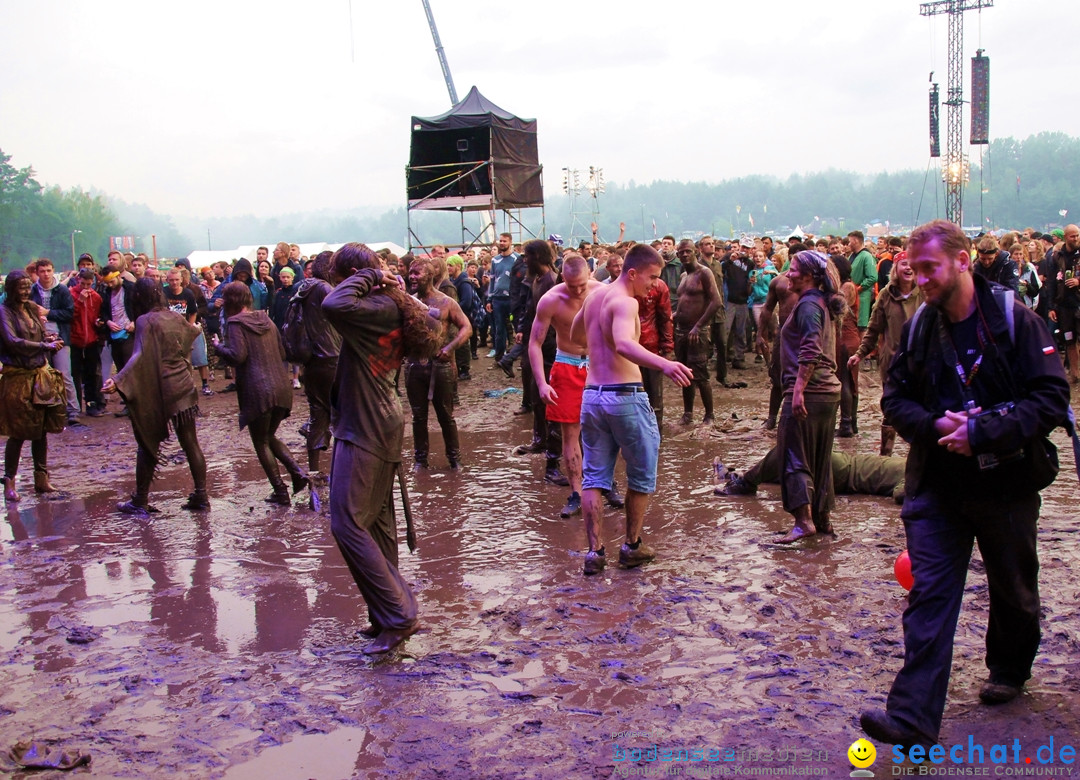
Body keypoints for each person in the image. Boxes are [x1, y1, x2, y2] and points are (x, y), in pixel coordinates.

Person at [860, 219, 1070, 750]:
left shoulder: (1014, 321)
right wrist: (935, 427)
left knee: (1013, 586)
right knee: (929, 594)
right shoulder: (918, 328)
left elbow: (1050, 399)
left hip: (1006, 482)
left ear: (962, 261)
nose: (920, 279)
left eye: (930, 268)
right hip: (937, 483)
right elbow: (894, 399)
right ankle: (911, 719)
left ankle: (1009, 666)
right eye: (914, 268)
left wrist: (983, 432)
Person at [322, 242, 442, 655]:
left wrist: (372, 275)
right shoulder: (390, 305)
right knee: (376, 522)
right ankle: (384, 614)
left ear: (352, 275)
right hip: (378, 420)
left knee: (346, 521)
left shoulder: (374, 306)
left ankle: (397, 615)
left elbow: (333, 305)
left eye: (342, 276)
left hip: (367, 425)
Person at [570, 244, 693, 575]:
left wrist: (599, 343)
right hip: (625, 396)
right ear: (633, 272)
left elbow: (574, 333)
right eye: (652, 277)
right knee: (640, 473)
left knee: (594, 477)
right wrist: (665, 365)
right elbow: (624, 343)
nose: (654, 285)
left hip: (593, 395)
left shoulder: (596, 295)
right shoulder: (625, 301)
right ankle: (632, 546)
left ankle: (595, 553)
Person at [104, 278, 209, 516]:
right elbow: (190, 336)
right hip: (183, 386)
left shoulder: (144, 320)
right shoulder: (174, 316)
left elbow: (139, 355)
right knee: (190, 442)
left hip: (159, 389)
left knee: (147, 443)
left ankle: (140, 500)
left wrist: (118, 380)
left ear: (138, 298)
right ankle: (201, 496)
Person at [213, 282, 308, 505]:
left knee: (260, 441)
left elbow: (237, 356)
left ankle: (280, 491)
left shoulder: (235, 323)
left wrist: (218, 346)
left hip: (258, 391)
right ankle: (298, 474)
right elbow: (283, 350)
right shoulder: (266, 319)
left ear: (231, 301)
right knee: (269, 436)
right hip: (281, 388)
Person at [775, 250, 845, 544]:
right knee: (820, 457)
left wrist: (799, 390)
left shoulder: (807, 306)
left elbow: (810, 349)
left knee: (794, 454)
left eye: (792, 270)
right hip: (828, 393)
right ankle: (822, 518)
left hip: (809, 391)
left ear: (809, 277)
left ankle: (804, 522)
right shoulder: (821, 303)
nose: (787, 274)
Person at [530, 254, 603, 518]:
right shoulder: (550, 299)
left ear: (590, 275)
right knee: (570, 433)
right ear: (563, 278)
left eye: (582, 284)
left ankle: (607, 484)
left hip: (598, 362)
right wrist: (541, 383)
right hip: (567, 363)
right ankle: (576, 492)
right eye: (573, 286)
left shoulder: (602, 293)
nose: (579, 290)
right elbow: (535, 343)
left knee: (605, 428)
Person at [0, 270, 68, 501]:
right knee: (18, 432)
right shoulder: (4, 311)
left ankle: (42, 478)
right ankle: (9, 481)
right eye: (21, 288)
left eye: (28, 287)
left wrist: (47, 339)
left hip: (39, 375)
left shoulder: (30, 307)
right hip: (18, 378)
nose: (25, 292)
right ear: (10, 289)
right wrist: (42, 347)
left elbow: (40, 333)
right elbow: (12, 341)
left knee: (41, 430)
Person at [848, 251, 922, 455]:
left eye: (912, 265)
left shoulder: (925, 293)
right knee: (890, 409)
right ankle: (885, 455)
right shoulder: (885, 295)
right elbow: (873, 329)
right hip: (892, 363)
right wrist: (860, 354)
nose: (908, 268)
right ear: (895, 269)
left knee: (921, 409)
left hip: (920, 363)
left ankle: (918, 456)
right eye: (903, 264)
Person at [404, 257, 471, 470]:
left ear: (430, 276)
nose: (412, 277)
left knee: (446, 416)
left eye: (417, 273)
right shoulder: (408, 301)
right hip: (414, 366)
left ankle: (455, 460)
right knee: (418, 417)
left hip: (441, 366)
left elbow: (467, 328)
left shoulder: (446, 302)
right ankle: (420, 461)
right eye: (411, 273)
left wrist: (449, 348)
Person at [292, 250, 341, 477]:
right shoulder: (325, 289)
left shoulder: (303, 287)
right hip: (331, 358)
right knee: (341, 413)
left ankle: (313, 471)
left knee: (317, 412)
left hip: (311, 360)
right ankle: (342, 467)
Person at [715, 448, 906, 504]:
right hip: (843, 471)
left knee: (789, 459)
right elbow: (901, 494)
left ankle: (738, 477)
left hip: (844, 469)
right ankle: (743, 479)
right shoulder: (920, 473)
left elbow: (900, 493)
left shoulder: (915, 466)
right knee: (788, 452)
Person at [672, 239, 722, 425]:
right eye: (681, 252)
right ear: (677, 255)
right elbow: (685, 304)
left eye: (688, 251)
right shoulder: (684, 276)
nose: (685, 255)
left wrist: (699, 326)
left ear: (695, 252)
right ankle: (688, 413)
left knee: (701, 374)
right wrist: (673, 315)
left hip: (697, 332)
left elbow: (716, 302)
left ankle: (709, 414)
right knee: (684, 374)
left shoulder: (704, 273)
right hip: (681, 331)